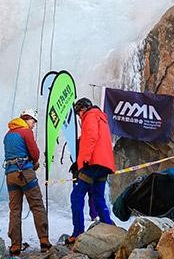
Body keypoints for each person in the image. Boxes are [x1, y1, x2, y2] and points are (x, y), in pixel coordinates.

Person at [66, 98, 116, 244]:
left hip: (92, 163)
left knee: (76, 196)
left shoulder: (90, 116)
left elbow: (90, 138)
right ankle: (109, 229)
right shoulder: (102, 118)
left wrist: (83, 162)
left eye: (78, 113)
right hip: (105, 164)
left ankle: (78, 232)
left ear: (83, 109)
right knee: (98, 196)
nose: (79, 116)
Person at [3, 108, 50, 256]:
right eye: (33, 121)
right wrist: (35, 163)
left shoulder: (8, 134)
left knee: (15, 210)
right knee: (37, 205)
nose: (34, 125)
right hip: (25, 172)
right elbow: (35, 153)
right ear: (27, 119)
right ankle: (44, 240)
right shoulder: (26, 132)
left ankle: (15, 246)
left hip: (10, 174)